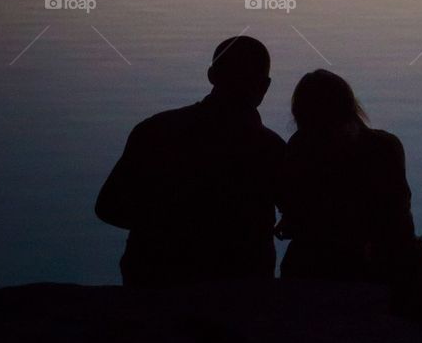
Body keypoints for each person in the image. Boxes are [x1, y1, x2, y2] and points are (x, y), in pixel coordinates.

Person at [95, 36, 285, 287]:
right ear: (265, 85)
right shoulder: (272, 148)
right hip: (241, 289)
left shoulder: (154, 130)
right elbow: (301, 217)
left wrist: (163, 228)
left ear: (211, 75)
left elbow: (108, 208)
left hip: (155, 280)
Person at [277, 70, 422, 289]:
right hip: (377, 269)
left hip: (313, 267)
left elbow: (291, 207)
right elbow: (399, 214)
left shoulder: (299, 146)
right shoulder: (386, 146)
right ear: (350, 105)